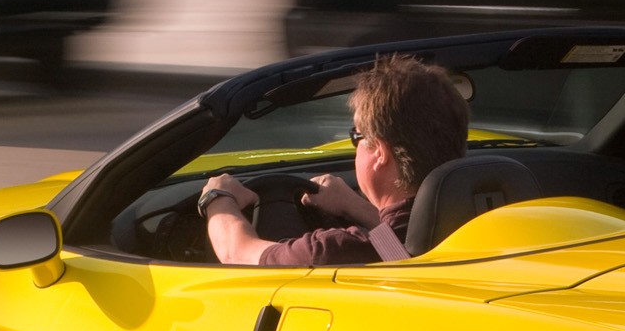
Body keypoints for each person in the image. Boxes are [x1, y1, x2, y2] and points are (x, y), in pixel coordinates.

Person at [199, 54, 469, 265]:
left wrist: (218, 198)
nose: (356, 145)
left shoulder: (333, 252)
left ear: (380, 154)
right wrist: (355, 207)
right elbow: (400, 251)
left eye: (357, 136)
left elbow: (238, 254)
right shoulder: (472, 219)